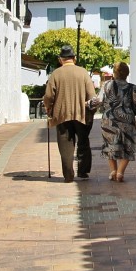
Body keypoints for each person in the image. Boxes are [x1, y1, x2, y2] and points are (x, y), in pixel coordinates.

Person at [43, 44, 96, 182]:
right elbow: (92, 96)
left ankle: (68, 175)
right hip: (81, 114)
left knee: (66, 144)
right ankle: (83, 172)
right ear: (75, 58)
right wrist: (91, 111)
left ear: (61, 59)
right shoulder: (83, 72)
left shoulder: (55, 74)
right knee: (83, 142)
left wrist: (48, 108)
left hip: (61, 114)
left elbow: (48, 96)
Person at [95, 61, 136, 182]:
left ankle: (113, 171)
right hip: (127, 120)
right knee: (128, 146)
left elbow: (98, 100)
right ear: (127, 74)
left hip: (109, 120)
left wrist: (87, 104)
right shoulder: (132, 87)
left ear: (114, 73)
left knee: (110, 145)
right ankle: (120, 172)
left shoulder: (107, 85)